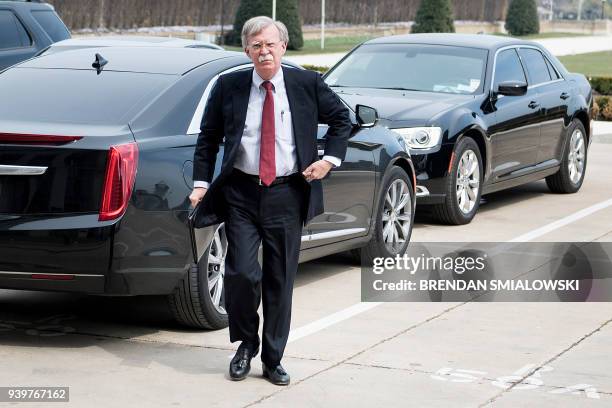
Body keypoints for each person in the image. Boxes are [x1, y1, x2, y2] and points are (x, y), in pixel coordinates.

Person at [189, 15, 351, 385]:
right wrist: (201, 183)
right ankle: (245, 344)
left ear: (283, 46)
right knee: (242, 274)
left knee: (280, 280)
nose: (264, 51)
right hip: (241, 193)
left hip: (288, 193)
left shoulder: (306, 83)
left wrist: (328, 160)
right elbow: (208, 136)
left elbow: (343, 119)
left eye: (270, 44)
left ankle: (274, 358)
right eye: (256, 45)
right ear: (246, 50)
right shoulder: (229, 86)